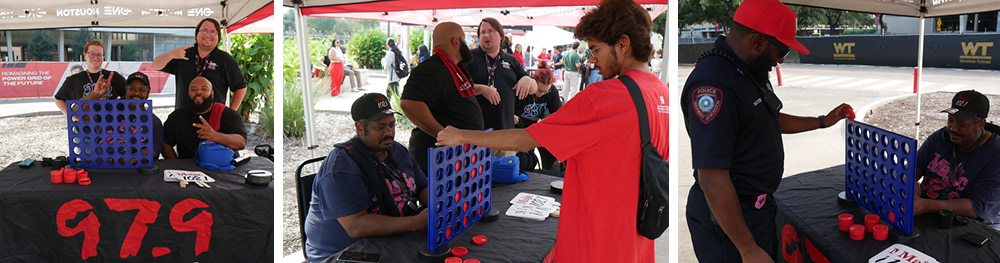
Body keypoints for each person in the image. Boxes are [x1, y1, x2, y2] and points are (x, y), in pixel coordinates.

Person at [436, 0, 668, 261]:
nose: (592, 60)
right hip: (637, 243)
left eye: (595, 49)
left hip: (595, 245)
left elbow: (526, 139)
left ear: (623, 44)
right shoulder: (661, 93)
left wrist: (461, 135)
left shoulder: (603, 97)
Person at [681, 0, 853, 262]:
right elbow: (713, 178)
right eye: (781, 51)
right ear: (758, 41)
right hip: (729, 223)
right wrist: (747, 247)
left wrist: (822, 121)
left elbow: (767, 119)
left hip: (755, 211)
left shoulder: (745, 70)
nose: (780, 60)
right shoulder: (715, 84)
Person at [303, 93, 429, 263]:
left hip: (389, 239)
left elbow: (423, 187)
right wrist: (416, 223)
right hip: (342, 253)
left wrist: (440, 205)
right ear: (360, 127)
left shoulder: (397, 151)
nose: (389, 132)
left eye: (392, 125)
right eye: (380, 127)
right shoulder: (341, 167)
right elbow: (356, 226)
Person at [400, 22, 499, 174]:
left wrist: (481, 89)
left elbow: (455, 92)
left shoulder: (453, 66)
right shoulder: (431, 69)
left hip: (457, 155)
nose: (466, 44)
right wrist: (441, 134)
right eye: (464, 39)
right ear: (456, 41)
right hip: (440, 158)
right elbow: (408, 103)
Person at [914, 90, 1000, 230]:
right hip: (927, 212)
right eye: (950, 120)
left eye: (961, 124)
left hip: (969, 224)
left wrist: (925, 205)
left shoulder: (995, 155)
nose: (953, 128)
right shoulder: (941, 137)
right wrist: (911, 182)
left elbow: (977, 207)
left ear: (980, 124)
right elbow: (915, 168)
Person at [153, 18, 247, 110]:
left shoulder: (226, 60)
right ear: (197, 33)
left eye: (213, 32)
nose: (208, 35)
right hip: (183, 116)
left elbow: (241, 87)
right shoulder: (183, 54)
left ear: (218, 36)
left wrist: (230, 113)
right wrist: (171, 54)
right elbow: (156, 65)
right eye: (204, 31)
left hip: (213, 117)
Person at [467, 17, 537, 131]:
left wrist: (528, 80)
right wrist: (481, 89)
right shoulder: (468, 58)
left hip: (505, 131)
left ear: (501, 35)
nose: (486, 35)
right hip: (476, 132)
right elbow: (456, 88)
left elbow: (534, 89)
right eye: (483, 32)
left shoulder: (511, 60)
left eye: (490, 31)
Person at [162, 76, 247, 159]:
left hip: (222, 166)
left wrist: (215, 136)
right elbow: (165, 143)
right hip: (187, 166)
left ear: (212, 94)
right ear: (188, 93)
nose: (198, 92)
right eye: (193, 89)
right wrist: (175, 164)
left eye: (204, 89)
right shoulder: (176, 116)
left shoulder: (227, 114)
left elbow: (241, 143)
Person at [54, 40, 126, 115]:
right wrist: (71, 116)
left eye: (99, 55)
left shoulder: (113, 76)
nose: (96, 57)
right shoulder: (74, 79)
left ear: (103, 57)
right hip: (84, 121)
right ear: (85, 55)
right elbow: (59, 99)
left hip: (111, 121)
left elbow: (129, 95)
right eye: (92, 54)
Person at [513, 61, 562, 170]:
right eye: (539, 90)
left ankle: (547, 171)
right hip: (520, 128)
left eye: (546, 91)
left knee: (551, 152)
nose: (541, 94)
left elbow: (558, 113)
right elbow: (510, 111)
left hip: (537, 129)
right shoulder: (524, 89)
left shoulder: (552, 92)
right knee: (524, 162)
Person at [124, 72, 165, 159]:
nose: (136, 93)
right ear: (126, 90)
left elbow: (155, 151)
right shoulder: (110, 115)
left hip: (142, 166)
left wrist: (129, 160)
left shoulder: (154, 122)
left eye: (142, 90)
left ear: (148, 93)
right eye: (132, 89)